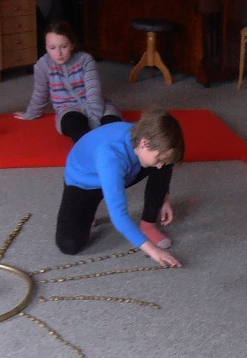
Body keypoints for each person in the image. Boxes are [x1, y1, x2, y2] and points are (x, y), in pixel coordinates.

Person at [55, 108, 185, 268]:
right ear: (144, 143)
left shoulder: (146, 137)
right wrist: (153, 251)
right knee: (69, 245)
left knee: (166, 162)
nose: (159, 166)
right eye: (158, 159)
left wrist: (163, 198)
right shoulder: (111, 156)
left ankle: (148, 224)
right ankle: (88, 210)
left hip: (126, 171)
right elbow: (119, 216)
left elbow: (162, 161)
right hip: (84, 183)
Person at [14, 20, 121, 143]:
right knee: (74, 125)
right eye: (52, 48)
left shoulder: (85, 60)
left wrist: (94, 121)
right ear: (46, 47)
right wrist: (31, 113)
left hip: (98, 106)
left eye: (64, 46)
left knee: (113, 128)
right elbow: (40, 93)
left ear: (72, 45)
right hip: (68, 109)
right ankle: (89, 150)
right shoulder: (42, 65)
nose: (58, 53)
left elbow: (94, 92)